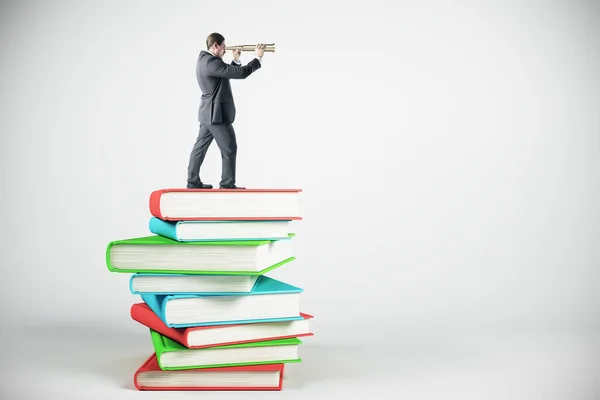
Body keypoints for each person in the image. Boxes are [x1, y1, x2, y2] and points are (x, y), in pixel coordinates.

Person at [186, 32, 266, 189]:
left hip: (207, 114)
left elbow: (225, 73)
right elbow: (241, 74)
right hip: (216, 115)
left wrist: (235, 61)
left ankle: (192, 182)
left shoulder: (205, 60)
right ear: (215, 45)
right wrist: (258, 58)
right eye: (223, 46)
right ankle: (227, 185)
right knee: (229, 149)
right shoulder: (212, 63)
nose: (225, 50)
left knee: (199, 149)